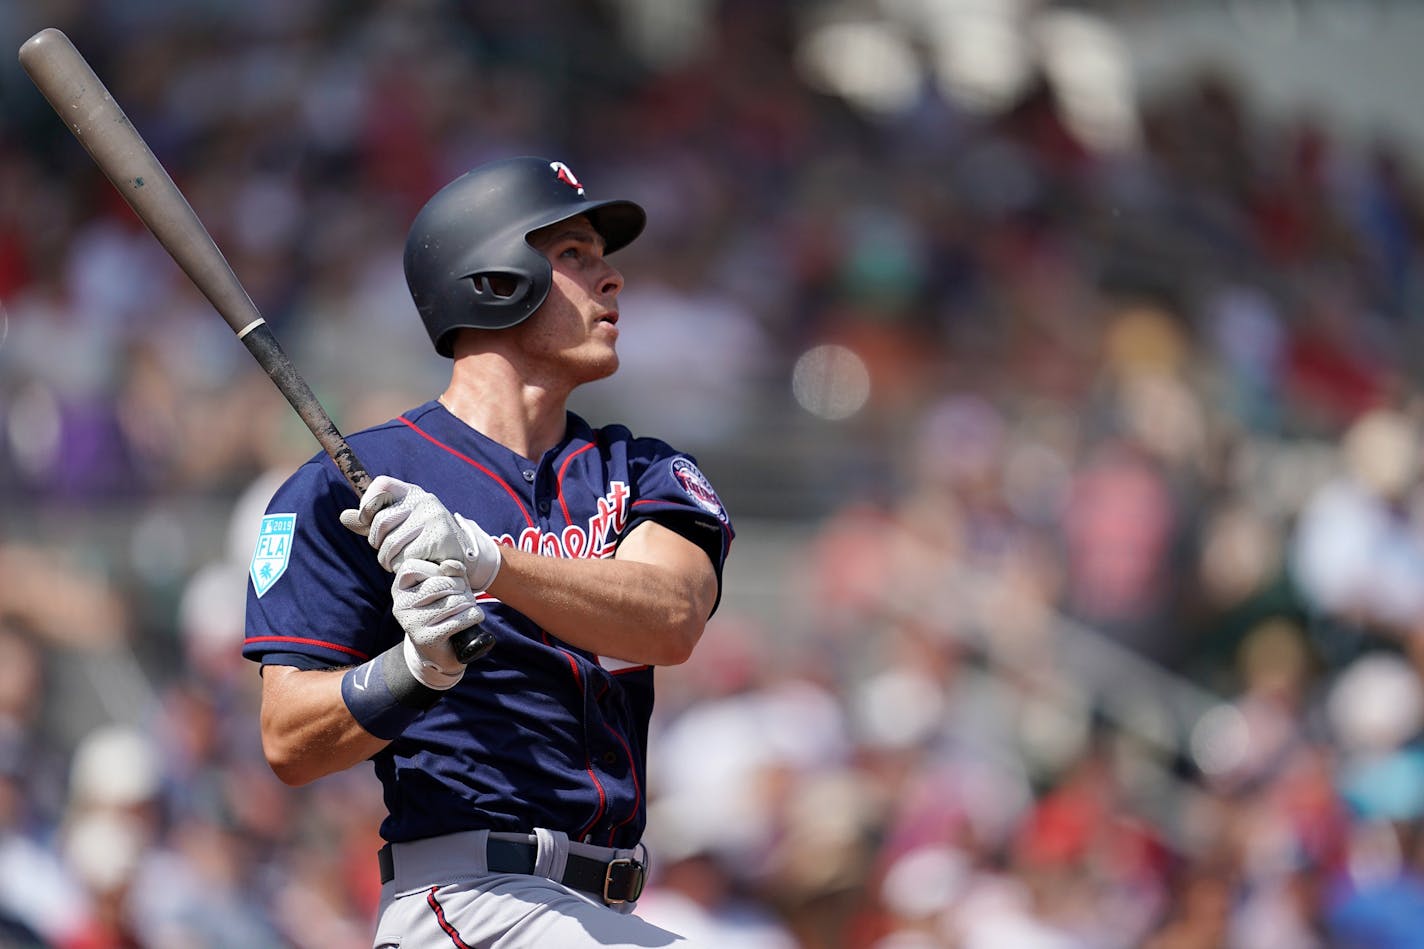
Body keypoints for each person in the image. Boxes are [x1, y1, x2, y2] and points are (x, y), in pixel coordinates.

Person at [243, 156, 734, 948]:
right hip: (467, 897)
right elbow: (288, 739)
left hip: (608, 909)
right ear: (493, 279)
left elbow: (670, 616)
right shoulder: (350, 487)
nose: (612, 280)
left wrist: (488, 559)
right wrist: (416, 670)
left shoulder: (641, 468)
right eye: (574, 254)